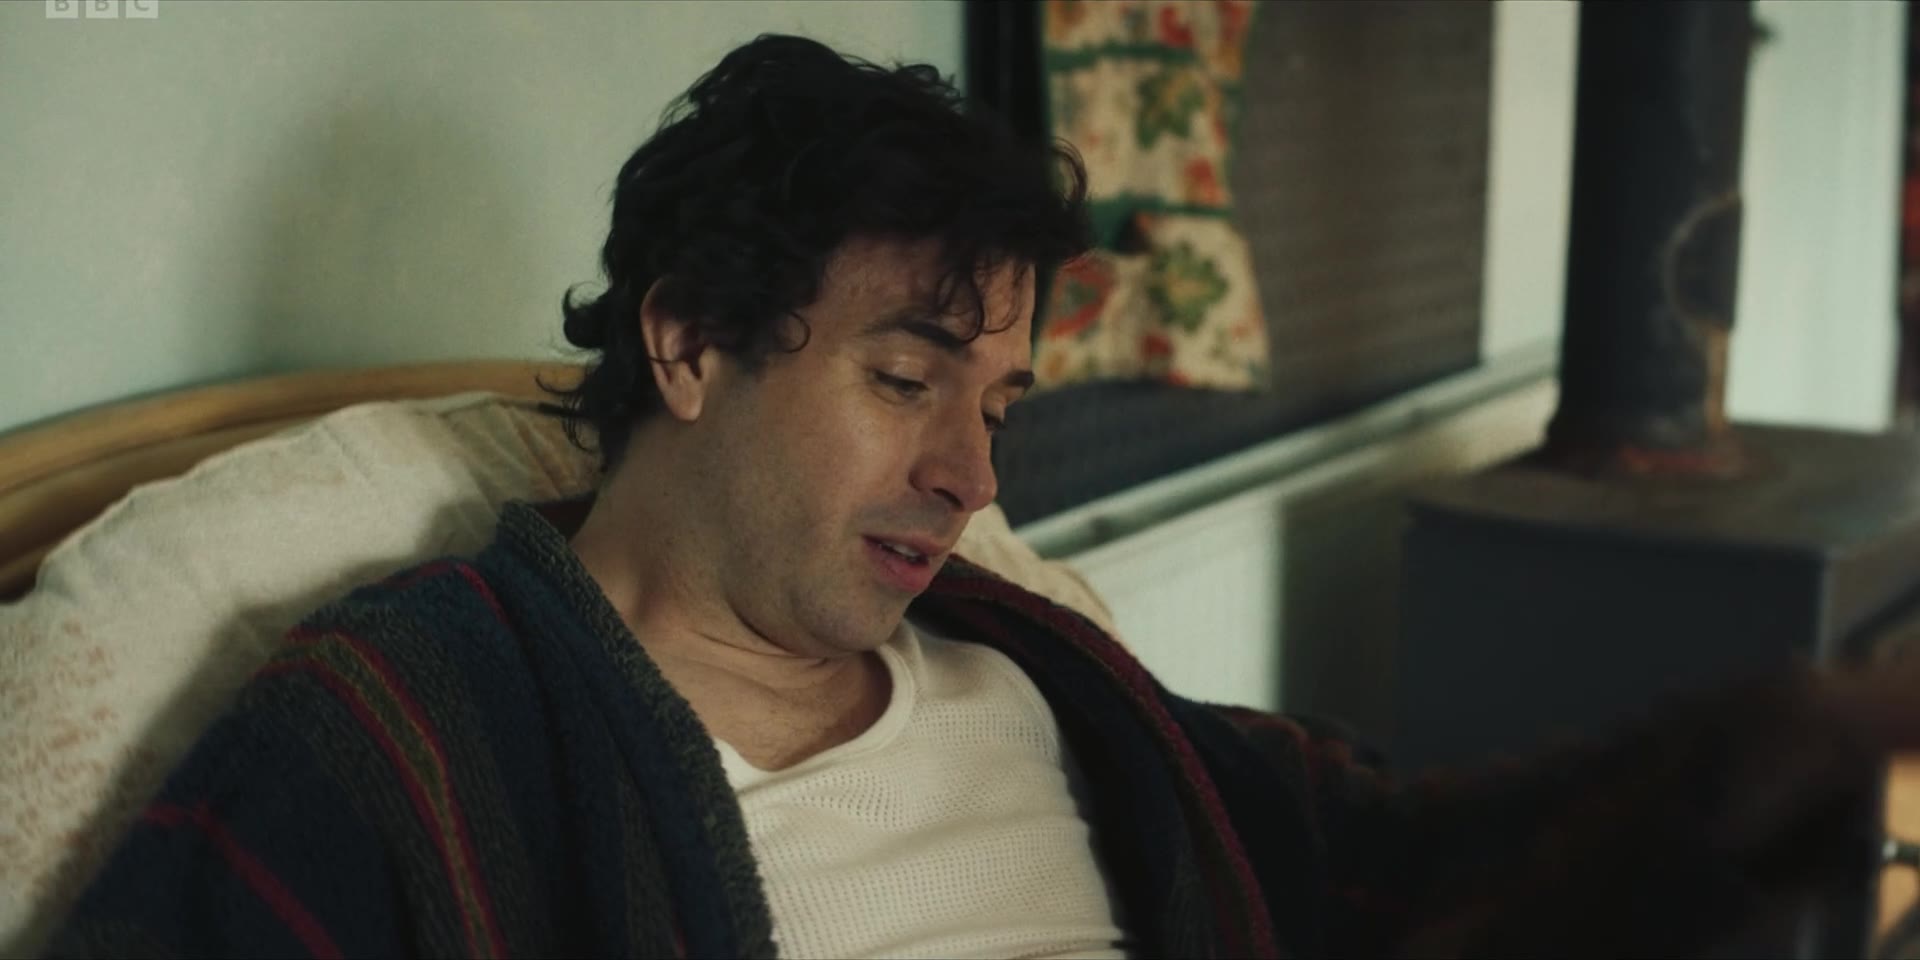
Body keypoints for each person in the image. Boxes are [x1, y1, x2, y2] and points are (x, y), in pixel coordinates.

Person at [44, 34, 1920, 960]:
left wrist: (1780, 743)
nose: (970, 475)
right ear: (687, 342)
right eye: (905, 378)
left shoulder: (1033, 673)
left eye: (1000, 403)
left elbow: (1390, 861)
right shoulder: (416, 730)